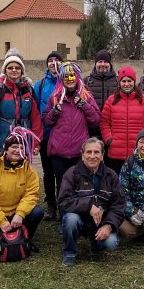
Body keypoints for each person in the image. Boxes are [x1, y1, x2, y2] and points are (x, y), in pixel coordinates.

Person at [0, 127, 45, 258]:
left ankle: (22, 237)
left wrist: (20, 214)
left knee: (37, 212)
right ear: (6, 149)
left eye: (21, 147)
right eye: (14, 146)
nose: (17, 150)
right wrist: (1, 221)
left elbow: (32, 194)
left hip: (15, 212)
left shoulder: (29, 169)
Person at [58, 137, 125, 267]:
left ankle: (96, 244)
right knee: (70, 220)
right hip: (78, 218)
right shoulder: (71, 173)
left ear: (102, 155)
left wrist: (109, 225)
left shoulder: (111, 176)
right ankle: (70, 251)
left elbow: (119, 205)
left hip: (100, 222)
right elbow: (64, 201)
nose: (92, 156)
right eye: (88, 152)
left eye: (96, 152)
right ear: (82, 155)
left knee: (112, 242)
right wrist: (88, 205)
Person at [42, 61, 100, 205]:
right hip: (59, 152)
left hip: (79, 151)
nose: (69, 79)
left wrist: (84, 105)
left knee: (81, 183)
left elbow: (96, 120)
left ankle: (80, 213)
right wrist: (55, 112)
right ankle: (63, 215)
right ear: (61, 79)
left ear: (77, 77)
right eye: (66, 76)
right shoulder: (54, 98)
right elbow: (46, 120)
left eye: (72, 75)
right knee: (62, 184)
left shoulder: (87, 97)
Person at [0, 49, 44, 158]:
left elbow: (36, 118)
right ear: (5, 70)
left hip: (24, 140)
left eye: (17, 68)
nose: (14, 70)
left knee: (23, 172)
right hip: (3, 140)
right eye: (10, 68)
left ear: (22, 70)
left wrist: (36, 142)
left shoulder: (28, 89)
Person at [99, 66, 144, 174]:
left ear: (134, 82)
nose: (126, 84)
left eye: (129, 81)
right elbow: (104, 123)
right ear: (119, 82)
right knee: (115, 184)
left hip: (137, 152)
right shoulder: (111, 100)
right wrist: (109, 139)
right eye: (123, 81)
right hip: (115, 153)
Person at [33, 51, 64, 220]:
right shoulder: (40, 84)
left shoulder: (68, 81)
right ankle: (50, 204)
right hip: (46, 135)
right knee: (48, 172)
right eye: (50, 61)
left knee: (61, 173)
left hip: (63, 137)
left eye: (57, 60)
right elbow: (35, 111)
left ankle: (62, 204)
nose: (54, 63)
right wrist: (37, 136)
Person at [85, 49, 118, 127]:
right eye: (100, 62)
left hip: (112, 128)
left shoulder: (118, 81)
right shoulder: (86, 81)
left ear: (110, 64)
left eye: (105, 62)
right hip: (91, 128)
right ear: (95, 64)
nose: (102, 64)